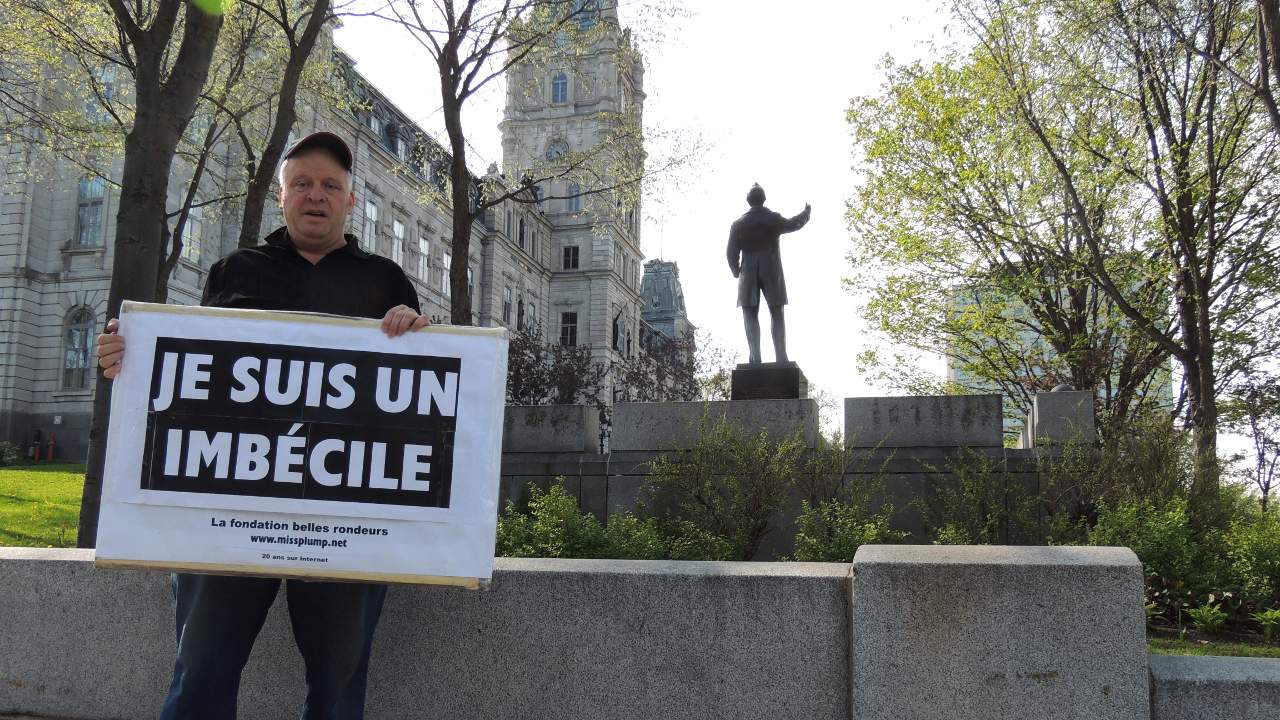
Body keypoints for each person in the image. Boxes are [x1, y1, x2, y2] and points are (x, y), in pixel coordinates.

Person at [95, 131, 429, 719]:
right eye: (302, 184)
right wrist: (129, 362)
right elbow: (189, 383)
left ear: (352, 202)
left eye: (331, 186)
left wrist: (424, 338)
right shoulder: (233, 272)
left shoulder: (387, 283)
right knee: (200, 675)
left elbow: (417, 396)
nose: (316, 196)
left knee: (338, 688)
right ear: (281, 196)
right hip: (228, 515)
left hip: (341, 520)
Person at [725, 183, 810, 364]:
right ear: (763, 199)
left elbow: (731, 252)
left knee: (749, 314)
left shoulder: (738, 224)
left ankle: (755, 358)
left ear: (748, 201)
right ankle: (781, 356)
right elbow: (793, 224)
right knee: (776, 312)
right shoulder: (772, 219)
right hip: (771, 269)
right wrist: (806, 213)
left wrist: (735, 269)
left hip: (747, 272)